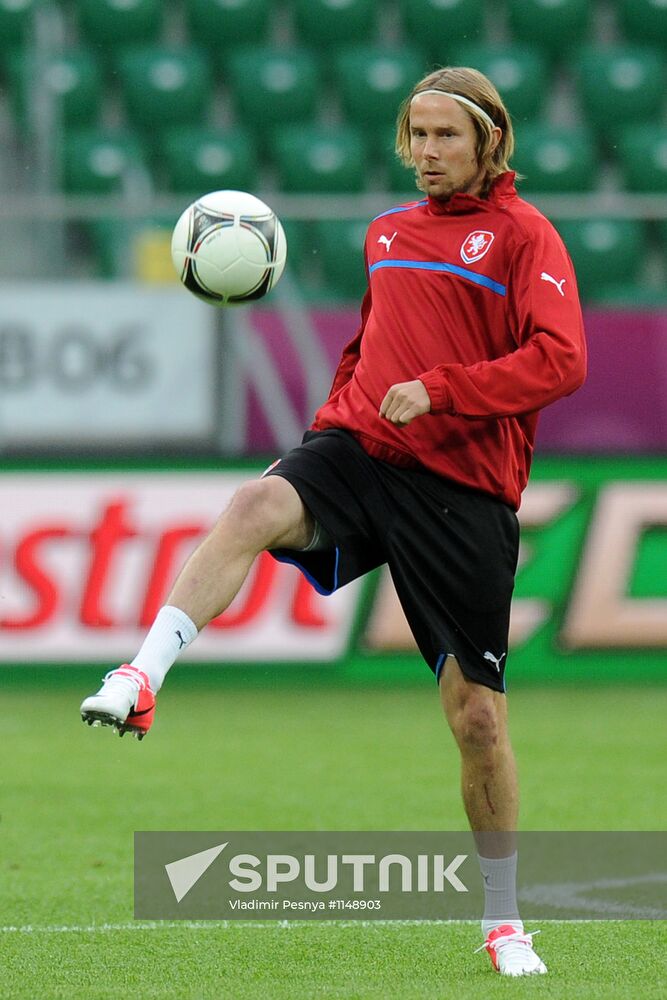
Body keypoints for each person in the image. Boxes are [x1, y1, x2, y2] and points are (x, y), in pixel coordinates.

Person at [80, 66, 586, 976]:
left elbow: (560, 360)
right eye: (416, 136)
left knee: (476, 721)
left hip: (462, 491)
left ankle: (504, 921)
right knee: (253, 502)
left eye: (445, 138)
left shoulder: (523, 235)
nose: (427, 154)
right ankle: (141, 674)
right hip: (360, 451)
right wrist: (330, 423)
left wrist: (439, 391)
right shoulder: (386, 231)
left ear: (487, 144)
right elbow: (369, 342)